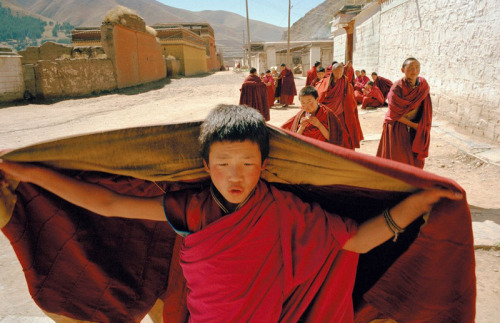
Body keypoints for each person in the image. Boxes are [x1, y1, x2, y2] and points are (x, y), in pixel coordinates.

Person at [0, 104, 461, 323]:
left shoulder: (285, 212)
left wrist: (415, 204)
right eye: (222, 165)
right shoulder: (194, 209)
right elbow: (107, 203)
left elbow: (355, 240)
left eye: (246, 164)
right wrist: (30, 174)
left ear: (265, 165)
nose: (234, 177)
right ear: (206, 166)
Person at [376, 57, 432, 169]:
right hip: (397, 125)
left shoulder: (423, 85)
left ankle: (413, 181)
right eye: (410, 68)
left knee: (415, 157)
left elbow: (425, 107)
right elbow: (394, 115)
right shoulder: (396, 88)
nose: (414, 70)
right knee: (398, 158)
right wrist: (415, 126)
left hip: (415, 126)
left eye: (417, 67)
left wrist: (419, 125)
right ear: (403, 70)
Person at [316, 63, 364, 149]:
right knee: (327, 133)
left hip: (340, 113)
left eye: (340, 73)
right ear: (332, 72)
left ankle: (345, 152)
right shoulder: (326, 82)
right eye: (336, 73)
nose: (338, 75)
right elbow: (319, 95)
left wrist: (351, 108)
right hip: (328, 114)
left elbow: (349, 98)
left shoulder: (345, 82)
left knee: (344, 133)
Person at [281, 86, 346, 147]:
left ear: (317, 100)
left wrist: (319, 125)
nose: (307, 106)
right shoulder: (301, 115)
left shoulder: (327, 114)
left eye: (309, 102)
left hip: (322, 151)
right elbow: (295, 139)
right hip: (305, 151)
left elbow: (333, 139)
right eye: (303, 103)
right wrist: (301, 127)